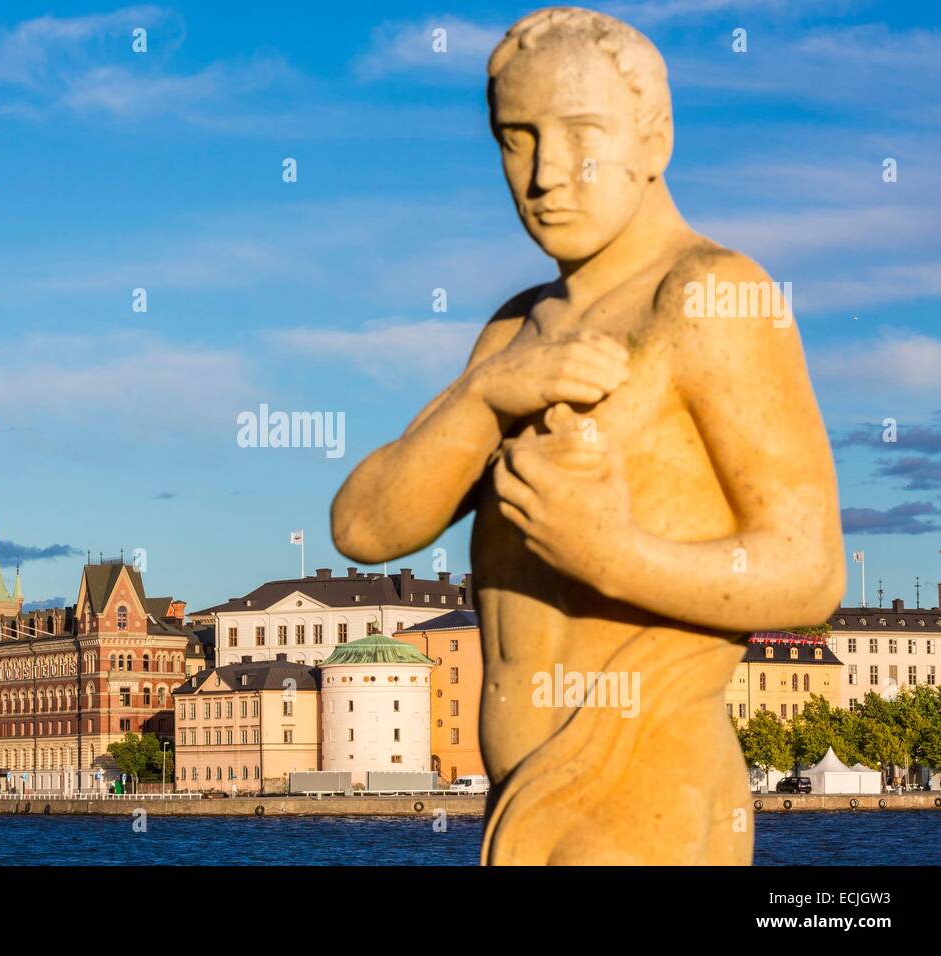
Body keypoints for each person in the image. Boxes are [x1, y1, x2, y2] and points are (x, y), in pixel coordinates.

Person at [331, 7, 843, 865]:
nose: (546, 175)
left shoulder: (709, 295)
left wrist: (610, 554)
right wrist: (485, 399)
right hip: (520, 793)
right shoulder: (511, 334)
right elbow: (366, 528)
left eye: (582, 133)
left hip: (645, 779)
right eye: (517, 138)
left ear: (655, 138)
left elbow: (810, 570)